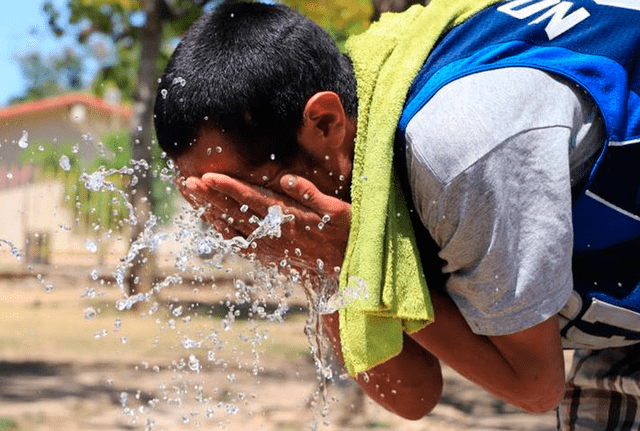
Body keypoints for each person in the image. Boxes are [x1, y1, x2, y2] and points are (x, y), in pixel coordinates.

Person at [153, 0, 640, 428]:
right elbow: (412, 395)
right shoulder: (370, 138)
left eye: (245, 195)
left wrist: (356, 261)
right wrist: (325, 267)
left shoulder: (459, 149)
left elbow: (534, 385)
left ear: (324, 122)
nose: (244, 221)